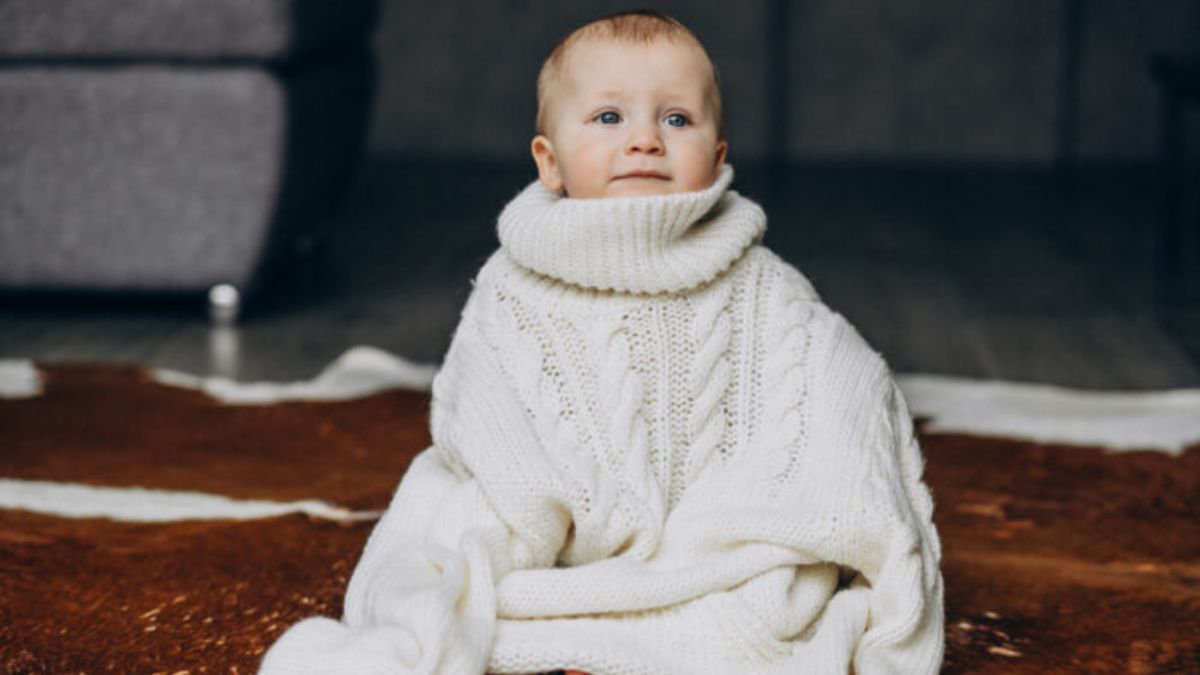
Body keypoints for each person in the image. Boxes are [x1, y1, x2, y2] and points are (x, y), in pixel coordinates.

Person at [260, 10, 943, 674]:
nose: (645, 138)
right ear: (549, 162)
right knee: (446, 526)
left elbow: (830, 384)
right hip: (559, 534)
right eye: (609, 117)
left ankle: (702, 598)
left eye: (676, 119)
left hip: (722, 536)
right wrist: (524, 507)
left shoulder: (762, 284)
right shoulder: (514, 287)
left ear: (716, 156)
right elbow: (488, 421)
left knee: (776, 596)